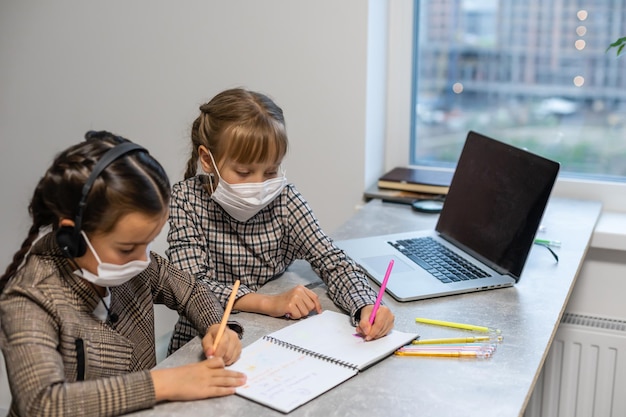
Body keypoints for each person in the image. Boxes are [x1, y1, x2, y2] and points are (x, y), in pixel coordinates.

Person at [0, 131, 246, 417]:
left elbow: (192, 290)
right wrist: (163, 383)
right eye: (128, 247)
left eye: (148, 243)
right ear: (72, 237)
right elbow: (42, 402)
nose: (143, 260)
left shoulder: (132, 265)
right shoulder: (29, 299)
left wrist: (217, 326)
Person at [167, 88, 395, 355]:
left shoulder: (285, 200)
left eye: (271, 171)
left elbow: (334, 262)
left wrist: (366, 305)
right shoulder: (186, 199)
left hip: (268, 341)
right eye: (243, 172)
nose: (259, 184)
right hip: (201, 342)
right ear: (208, 160)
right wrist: (270, 303)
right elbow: (191, 286)